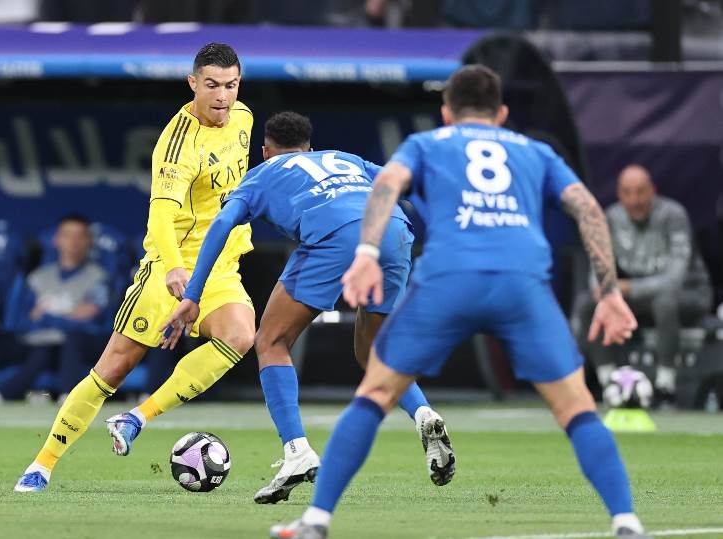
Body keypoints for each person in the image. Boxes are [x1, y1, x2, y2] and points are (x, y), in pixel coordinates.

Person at [270, 65, 651, 539]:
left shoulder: (426, 144)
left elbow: (385, 186)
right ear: (502, 114)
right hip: (520, 283)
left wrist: (366, 253)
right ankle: (627, 522)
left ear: (447, 113)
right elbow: (588, 208)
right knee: (577, 408)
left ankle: (316, 521)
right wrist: (609, 292)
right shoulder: (535, 150)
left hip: (448, 280)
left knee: (376, 392)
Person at [161, 111, 455, 504]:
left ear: (265, 151)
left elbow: (221, 224)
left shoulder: (261, 174)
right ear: (310, 147)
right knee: (374, 352)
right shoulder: (344, 158)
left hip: (335, 234)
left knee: (271, 341)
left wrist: (193, 294)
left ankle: (297, 452)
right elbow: (404, 183)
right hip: (394, 232)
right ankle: (424, 415)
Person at [14, 42, 256, 492]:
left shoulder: (243, 117)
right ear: (193, 83)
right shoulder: (177, 145)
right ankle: (41, 465)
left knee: (241, 336)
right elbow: (160, 216)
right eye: (212, 85)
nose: (223, 96)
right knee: (113, 369)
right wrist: (173, 269)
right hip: (173, 268)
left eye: (231, 85)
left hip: (221, 267)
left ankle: (137, 417)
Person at [573, 164, 712, 404]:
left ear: (652, 190)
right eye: (627, 193)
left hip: (688, 294)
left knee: (665, 301)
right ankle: (609, 383)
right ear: (619, 194)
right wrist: (605, 291)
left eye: (640, 192)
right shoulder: (611, 218)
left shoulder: (673, 215)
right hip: (637, 297)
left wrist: (628, 288)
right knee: (588, 303)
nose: (634, 200)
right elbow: (598, 267)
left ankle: (665, 387)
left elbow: (674, 279)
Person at [0, 215, 110, 401]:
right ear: (57, 239)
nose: (73, 242)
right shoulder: (38, 277)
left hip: (78, 343)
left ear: (89, 241)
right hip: (39, 342)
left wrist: (47, 317)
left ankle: (68, 397)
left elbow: (90, 315)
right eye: (67, 235)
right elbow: (25, 319)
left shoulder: (98, 277)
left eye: (80, 236)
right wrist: (69, 315)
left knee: (71, 340)